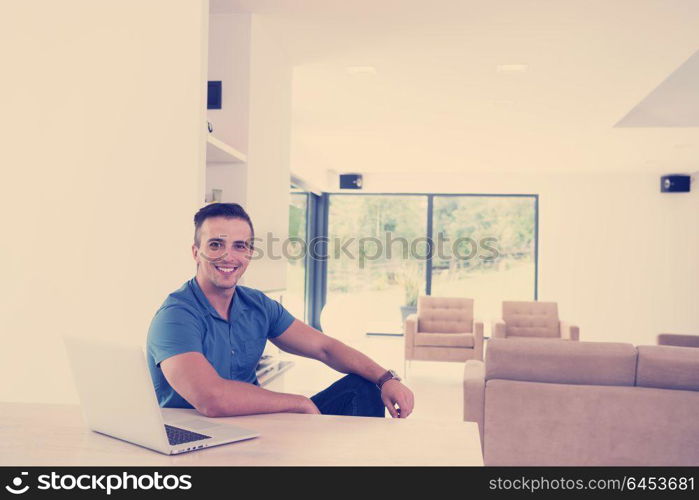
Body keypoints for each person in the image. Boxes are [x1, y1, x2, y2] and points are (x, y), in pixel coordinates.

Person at [147, 203, 414, 418]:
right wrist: (297, 403)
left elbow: (325, 348)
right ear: (196, 252)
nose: (228, 256)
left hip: (258, 428)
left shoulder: (256, 305)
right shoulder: (176, 316)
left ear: (249, 253)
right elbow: (211, 399)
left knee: (364, 387)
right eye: (216, 245)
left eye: (239, 246)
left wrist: (385, 378)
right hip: (197, 438)